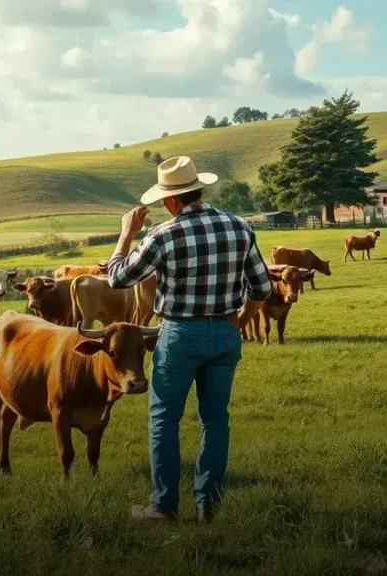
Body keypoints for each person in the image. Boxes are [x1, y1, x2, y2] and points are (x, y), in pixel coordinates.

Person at [106, 156, 272, 523]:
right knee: (215, 420)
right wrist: (240, 320)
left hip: (179, 334)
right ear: (199, 189)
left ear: (170, 200)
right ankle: (207, 505)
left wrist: (125, 234)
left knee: (164, 419)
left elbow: (118, 279)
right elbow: (262, 286)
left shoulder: (162, 236)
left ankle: (164, 506)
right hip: (225, 334)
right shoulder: (239, 227)